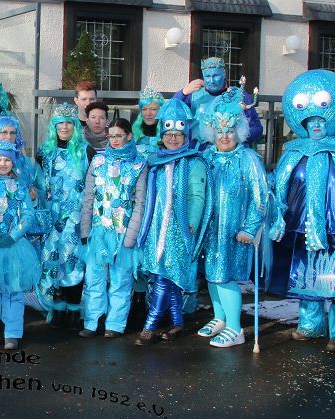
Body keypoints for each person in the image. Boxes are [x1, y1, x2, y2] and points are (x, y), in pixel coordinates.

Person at [268, 70, 335, 353]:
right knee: (306, 276)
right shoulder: (293, 152)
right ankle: (310, 324)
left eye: (322, 120)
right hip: (300, 226)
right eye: (311, 122)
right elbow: (279, 184)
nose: (317, 127)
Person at [135, 99, 211, 346]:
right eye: (169, 134)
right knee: (167, 276)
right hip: (157, 228)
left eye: (178, 135)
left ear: (186, 135)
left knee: (163, 276)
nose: (173, 139)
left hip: (179, 229)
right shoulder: (156, 162)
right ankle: (177, 323)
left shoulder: (194, 162)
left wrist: (192, 222)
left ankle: (149, 326)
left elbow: (197, 196)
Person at [197, 90, 268, 348]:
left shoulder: (248, 159)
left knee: (225, 276)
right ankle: (220, 318)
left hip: (234, 232)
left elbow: (260, 197)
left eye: (229, 131)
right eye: (219, 131)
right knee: (212, 275)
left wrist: (250, 228)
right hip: (209, 230)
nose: (224, 136)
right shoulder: (206, 157)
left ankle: (236, 328)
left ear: (239, 132)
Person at [78, 118, 147, 338]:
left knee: (120, 280)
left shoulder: (139, 164)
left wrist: (131, 236)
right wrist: (85, 230)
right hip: (98, 232)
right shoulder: (98, 161)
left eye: (119, 135)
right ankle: (92, 321)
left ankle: (115, 324)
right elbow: (88, 198)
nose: (114, 140)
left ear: (129, 136)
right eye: (111, 136)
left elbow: (140, 203)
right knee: (94, 278)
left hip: (123, 233)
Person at [0, 139, 41, 349]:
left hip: (14, 246)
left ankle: (12, 332)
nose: (3, 164)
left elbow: (28, 215)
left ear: (13, 162)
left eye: (7, 160)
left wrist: (13, 235)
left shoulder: (20, 186)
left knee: (13, 289)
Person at [37, 103, 89, 330]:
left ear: (75, 126)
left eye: (69, 123)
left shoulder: (86, 151)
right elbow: (37, 182)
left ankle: (74, 308)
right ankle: (56, 307)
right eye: (60, 123)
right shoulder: (44, 153)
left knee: (73, 261)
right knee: (52, 260)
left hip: (75, 219)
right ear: (54, 126)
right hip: (51, 218)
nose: (65, 127)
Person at [174, 58, 263, 148]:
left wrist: (239, 137)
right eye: (207, 76)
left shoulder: (240, 96)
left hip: (232, 152)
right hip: (199, 152)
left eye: (216, 75)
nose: (212, 81)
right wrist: (183, 93)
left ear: (224, 74)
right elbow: (170, 112)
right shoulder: (193, 95)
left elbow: (257, 127)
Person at [132, 87, 164, 159]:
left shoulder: (168, 133)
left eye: (153, 109)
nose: (148, 113)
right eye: (144, 109)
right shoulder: (133, 133)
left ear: (161, 111)